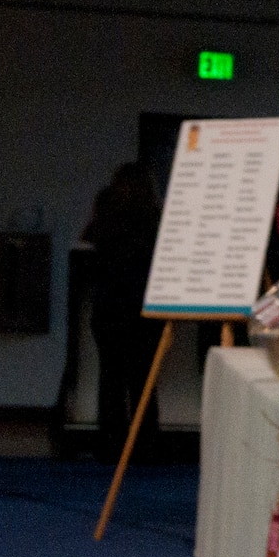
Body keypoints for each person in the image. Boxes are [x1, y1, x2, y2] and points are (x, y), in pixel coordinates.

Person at [82, 161, 163, 461]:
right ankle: (146, 446)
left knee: (111, 377)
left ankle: (110, 446)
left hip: (109, 303)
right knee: (143, 380)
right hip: (144, 305)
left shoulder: (107, 208)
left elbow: (90, 241)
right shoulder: (154, 215)